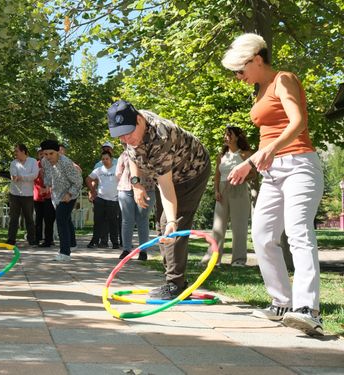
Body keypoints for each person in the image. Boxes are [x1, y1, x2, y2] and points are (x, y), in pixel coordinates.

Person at [222, 33, 324, 335]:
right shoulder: (260, 88)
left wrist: (266, 152)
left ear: (256, 59)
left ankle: (308, 309)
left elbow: (298, 122)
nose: (238, 77)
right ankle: (281, 302)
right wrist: (249, 161)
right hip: (274, 171)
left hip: (300, 165)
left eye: (241, 70)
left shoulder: (283, 79)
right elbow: (268, 138)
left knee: (297, 232)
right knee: (264, 235)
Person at [107, 99, 211, 300]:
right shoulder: (131, 132)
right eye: (121, 135)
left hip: (191, 172)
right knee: (162, 229)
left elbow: (166, 185)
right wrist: (136, 184)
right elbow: (132, 156)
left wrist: (172, 220)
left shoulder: (161, 137)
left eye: (129, 133)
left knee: (172, 225)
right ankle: (174, 281)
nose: (126, 139)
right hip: (167, 175)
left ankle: (175, 285)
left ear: (139, 120)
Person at [200, 126, 254, 268]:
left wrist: (241, 179)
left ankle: (239, 260)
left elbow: (254, 174)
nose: (226, 137)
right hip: (222, 192)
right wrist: (216, 191)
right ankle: (213, 259)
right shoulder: (221, 156)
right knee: (218, 227)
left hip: (239, 190)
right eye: (225, 134)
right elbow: (217, 176)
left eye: (229, 135)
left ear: (237, 137)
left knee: (239, 227)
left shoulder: (245, 154)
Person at [40, 140, 82, 262]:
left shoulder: (66, 163)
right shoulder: (44, 162)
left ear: (58, 152)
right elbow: (48, 176)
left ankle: (65, 253)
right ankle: (72, 244)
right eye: (45, 154)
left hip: (69, 195)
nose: (48, 157)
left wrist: (69, 194)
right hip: (56, 195)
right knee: (66, 219)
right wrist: (46, 186)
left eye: (51, 154)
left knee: (61, 219)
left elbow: (78, 181)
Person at [116, 146, 156, 260]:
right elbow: (118, 173)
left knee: (142, 219)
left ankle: (143, 251)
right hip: (126, 189)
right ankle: (126, 250)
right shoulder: (124, 154)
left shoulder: (151, 152)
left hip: (147, 189)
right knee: (127, 220)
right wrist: (123, 183)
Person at [86, 150, 120, 249]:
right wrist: (92, 191)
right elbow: (88, 179)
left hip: (114, 200)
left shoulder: (117, 169)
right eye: (103, 159)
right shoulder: (99, 170)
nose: (105, 161)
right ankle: (94, 241)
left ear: (111, 159)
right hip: (100, 199)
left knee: (113, 222)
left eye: (107, 159)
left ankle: (115, 243)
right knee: (98, 221)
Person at [7, 143, 39, 246]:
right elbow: (13, 176)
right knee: (13, 218)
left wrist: (21, 177)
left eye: (17, 151)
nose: (15, 153)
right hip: (14, 194)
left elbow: (34, 175)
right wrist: (24, 177)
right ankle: (11, 240)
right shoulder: (13, 163)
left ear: (23, 151)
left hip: (28, 194)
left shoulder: (33, 161)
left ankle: (32, 239)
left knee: (29, 218)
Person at [33, 148, 55, 247]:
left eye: (44, 154)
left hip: (49, 195)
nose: (42, 156)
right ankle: (37, 239)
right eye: (40, 154)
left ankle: (49, 239)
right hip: (38, 195)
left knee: (49, 219)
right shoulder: (36, 165)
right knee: (38, 219)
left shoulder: (51, 164)